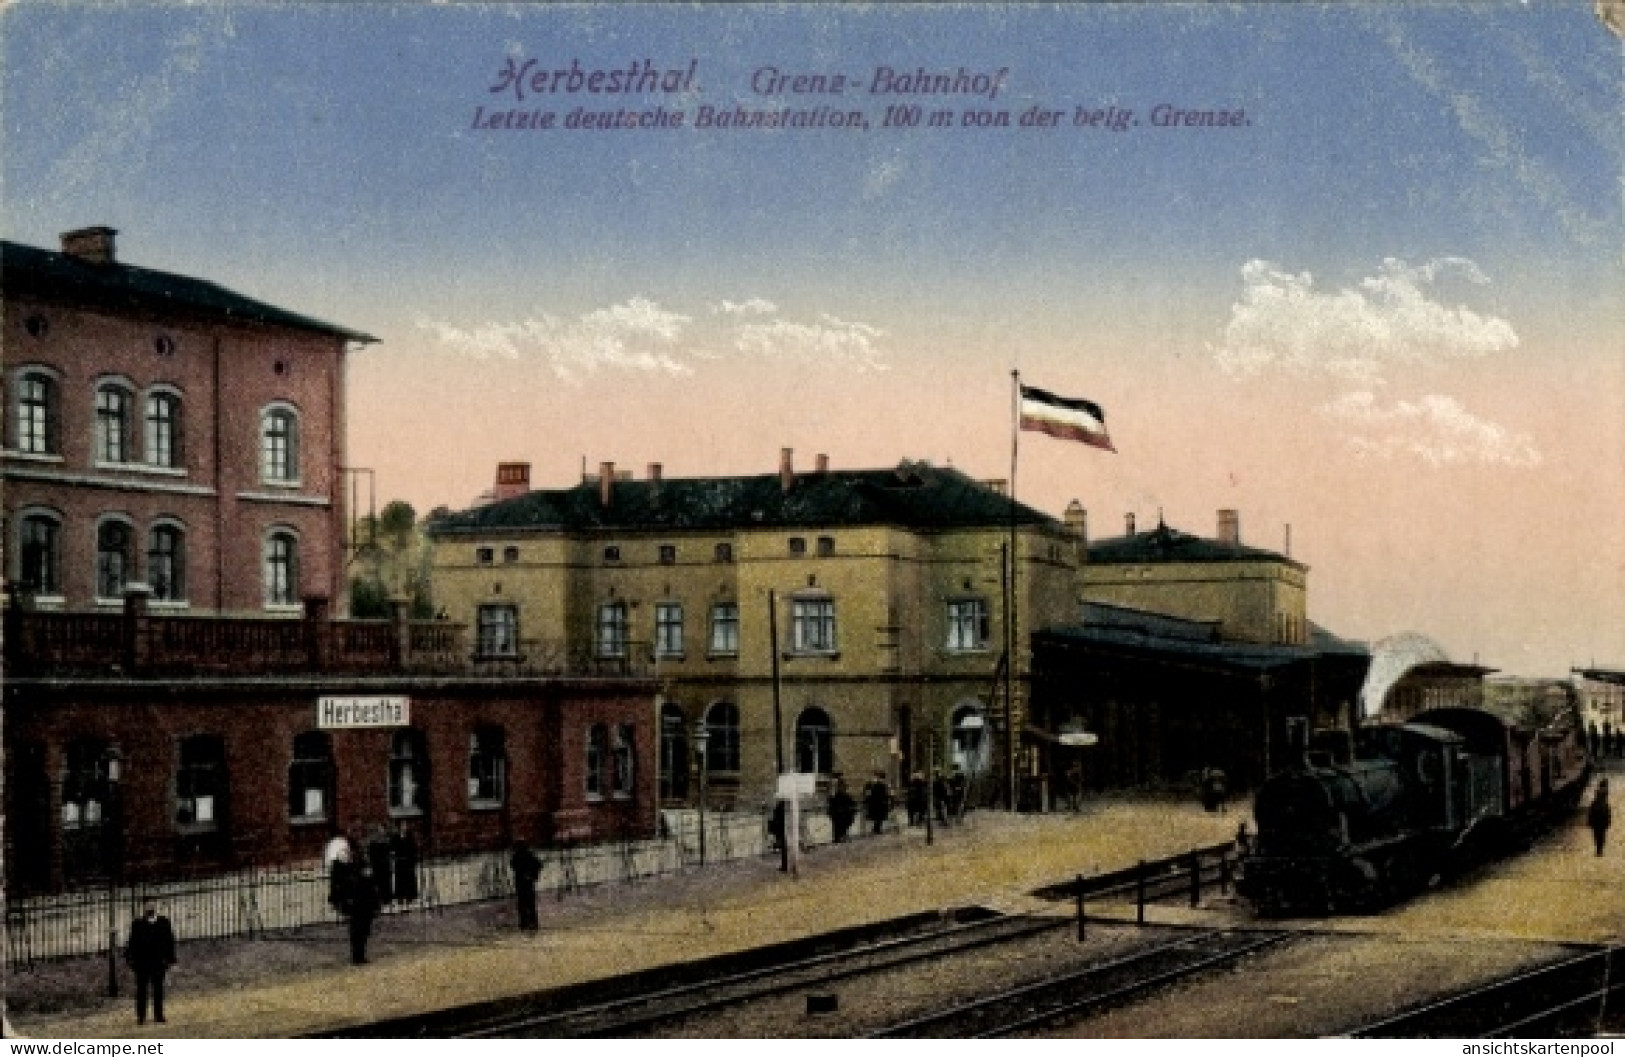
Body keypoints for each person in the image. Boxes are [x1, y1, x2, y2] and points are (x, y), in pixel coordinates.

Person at [125, 900, 177, 1026]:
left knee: (158, 989)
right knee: (141, 990)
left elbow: (170, 941)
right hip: (142, 963)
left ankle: (159, 1015)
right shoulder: (137, 924)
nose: (150, 907)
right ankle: (141, 1016)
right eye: (147, 905)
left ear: (156, 907)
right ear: (144, 908)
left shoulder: (164, 922)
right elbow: (132, 943)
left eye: (152, 905)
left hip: (158, 962)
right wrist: (130, 960)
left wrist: (171, 960)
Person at [347, 865, 381, 964]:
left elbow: (373, 889)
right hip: (360, 904)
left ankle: (360, 955)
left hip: (365, 904)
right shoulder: (356, 875)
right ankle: (357, 956)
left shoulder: (366, 875)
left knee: (363, 931)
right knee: (359, 931)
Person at [509, 840, 543, 931]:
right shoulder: (529, 855)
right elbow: (539, 865)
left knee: (523, 904)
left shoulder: (518, 856)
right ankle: (532, 923)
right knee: (530, 904)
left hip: (522, 884)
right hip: (527, 883)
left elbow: (512, 865)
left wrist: (532, 875)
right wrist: (533, 875)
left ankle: (525, 924)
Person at [323, 831, 353, 914]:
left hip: (334, 864)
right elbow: (346, 856)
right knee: (342, 885)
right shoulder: (342, 842)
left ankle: (335, 900)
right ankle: (341, 903)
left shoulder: (332, 843)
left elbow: (328, 857)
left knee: (335, 884)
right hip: (339, 865)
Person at [828, 778, 857, 843]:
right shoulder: (836, 795)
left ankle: (840, 837)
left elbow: (852, 803)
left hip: (844, 814)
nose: (843, 788)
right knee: (837, 826)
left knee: (841, 826)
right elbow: (832, 804)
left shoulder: (846, 795)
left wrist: (850, 808)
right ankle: (838, 837)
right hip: (838, 814)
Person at [1588, 779, 1611, 857]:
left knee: (1596, 835)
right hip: (1602, 817)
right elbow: (1608, 813)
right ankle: (1599, 850)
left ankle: (1598, 850)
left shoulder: (1594, 803)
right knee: (1601, 835)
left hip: (1597, 817)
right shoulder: (1605, 804)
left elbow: (1591, 812)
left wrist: (1589, 821)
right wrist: (1608, 821)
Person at [863, 772, 891, 836]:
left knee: (878, 817)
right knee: (879, 817)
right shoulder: (880, 785)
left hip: (877, 803)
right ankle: (877, 828)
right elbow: (884, 794)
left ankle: (877, 828)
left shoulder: (876, 784)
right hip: (878, 803)